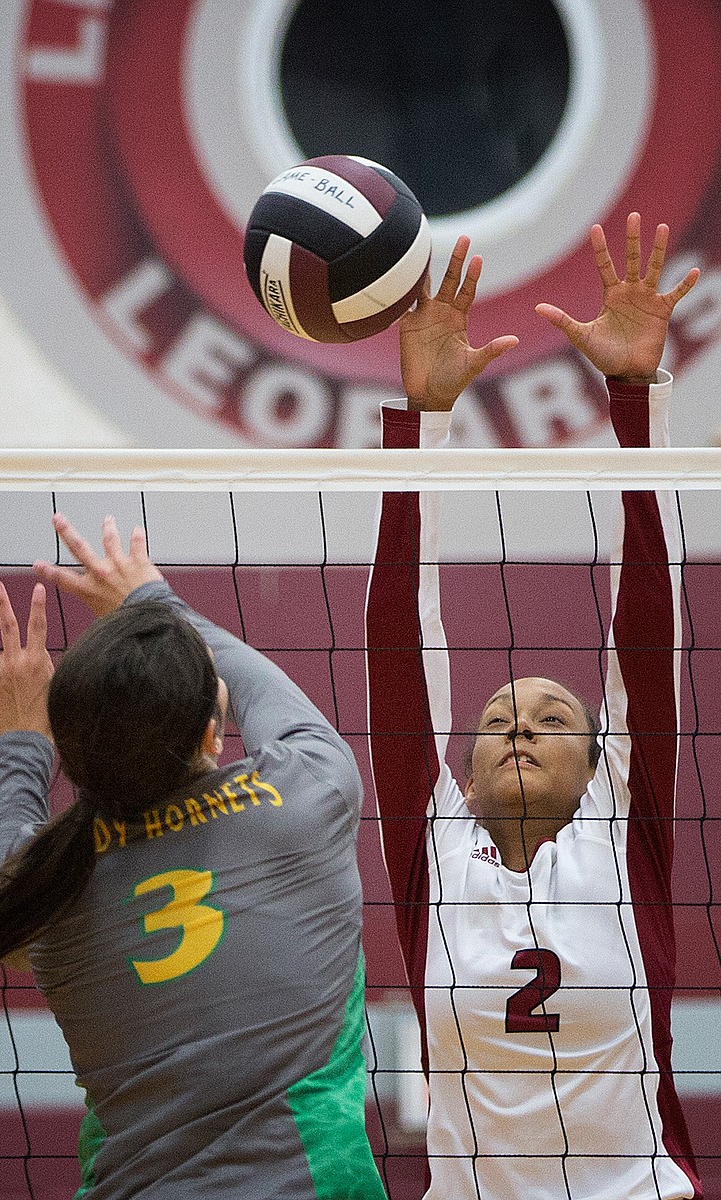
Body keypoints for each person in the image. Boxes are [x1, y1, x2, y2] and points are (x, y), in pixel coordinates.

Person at [365, 213, 704, 1200]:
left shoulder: (618, 831)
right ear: (457, 774)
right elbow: (396, 637)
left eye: (553, 718)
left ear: (601, 765)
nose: (515, 724)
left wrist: (634, 400)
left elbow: (646, 620)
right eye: (499, 719)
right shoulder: (432, 850)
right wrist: (419, 426)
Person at [0, 515, 388, 1200]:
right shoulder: (306, 796)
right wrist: (152, 598)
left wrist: (23, 737)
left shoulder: (44, 896)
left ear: (73, 756)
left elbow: (7, 875)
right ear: (211, 731)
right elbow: (259, 687)